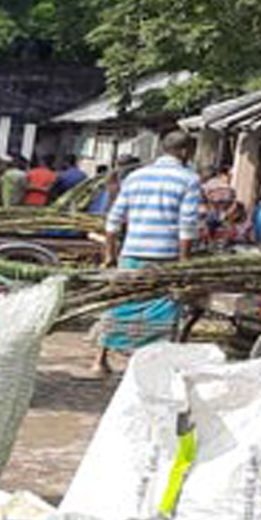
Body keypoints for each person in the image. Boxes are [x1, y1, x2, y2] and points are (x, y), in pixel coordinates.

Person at [95, 131, 203, 376]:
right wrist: (184, 263)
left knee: (121, 302)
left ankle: (100, 359)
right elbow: (187, 226)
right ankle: (152, 363)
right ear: (185, 152)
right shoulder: (189, 179)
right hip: (165, 257)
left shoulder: (136, 177)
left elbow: (113, 220)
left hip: (131, 253)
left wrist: (110, 254)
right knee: (162, 310)